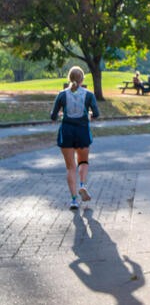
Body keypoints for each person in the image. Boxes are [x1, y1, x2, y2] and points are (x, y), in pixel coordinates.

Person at [50, 66, 100, 210]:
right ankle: (83, 185)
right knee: (83, 161)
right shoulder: (89, 95)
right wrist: (90, 115)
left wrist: (59, 115)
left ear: (69, 78)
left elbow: (53, 116)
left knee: (70, 167)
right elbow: (96, 114)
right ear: (82, 79)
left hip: (66, 132)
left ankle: (73, 200)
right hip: (82, 131)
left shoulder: (62, 94)